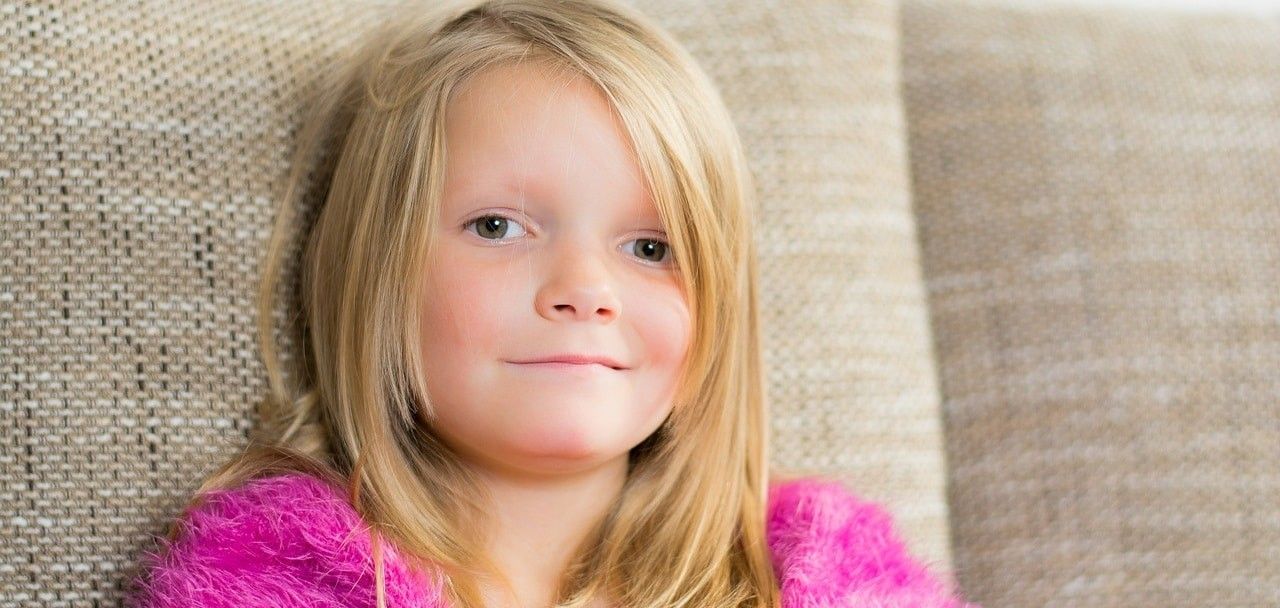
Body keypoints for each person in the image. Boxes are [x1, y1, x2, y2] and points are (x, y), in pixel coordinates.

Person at [124, 1, 981, 607]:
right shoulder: (274, 577)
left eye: (651, 248)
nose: (584, 290)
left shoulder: (829, 578)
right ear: (378, 275)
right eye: (498, 226)